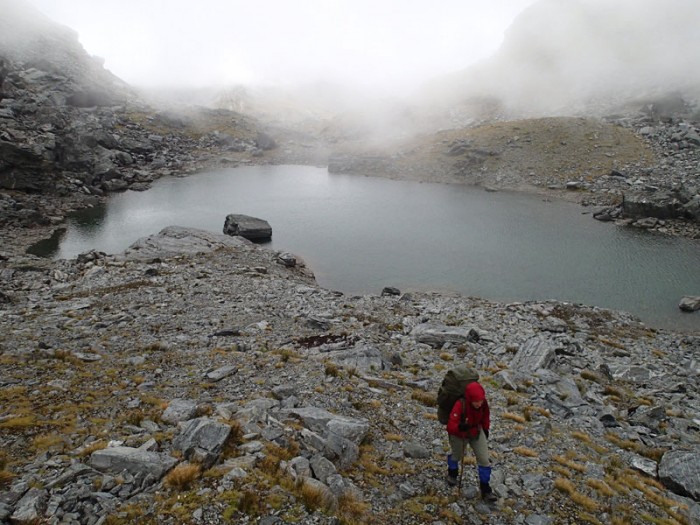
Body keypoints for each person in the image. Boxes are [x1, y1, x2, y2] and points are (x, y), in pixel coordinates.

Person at [445, 381, 496, 502]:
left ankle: (486, 489)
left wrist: (486, 428)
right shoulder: (460, 405)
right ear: (469, 399)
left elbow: (485, 416)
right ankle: (452, 473)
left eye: (481, 401)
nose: (479, 404)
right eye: (476, 401)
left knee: (484, 460)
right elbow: (450, 425)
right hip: (460, 434)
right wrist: (459, 427)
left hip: (477, 432)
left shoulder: (483, 403)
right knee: (457, 455)